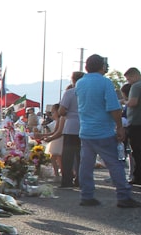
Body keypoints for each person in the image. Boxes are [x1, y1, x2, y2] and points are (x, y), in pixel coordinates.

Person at [75, 54, 139, 207]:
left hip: (85, 130)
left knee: (86, 165)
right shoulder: (105, 82)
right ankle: (123, 196)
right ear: (102, 67)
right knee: (114, 164)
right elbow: (114, 108)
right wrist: (119, 127)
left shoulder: (80, 83)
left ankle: (86, 195)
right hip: (103, 130)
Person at [57, 71, 84, 188]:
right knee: (81, 156)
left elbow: (61, 111)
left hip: (71, 126)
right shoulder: (87, 92)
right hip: (84, 126)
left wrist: (70, 113)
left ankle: (67, 180)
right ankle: (80, 179)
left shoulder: (70, 93)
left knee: (68, 156)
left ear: (73, 80)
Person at [124, 66, 141, 185]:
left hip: (135, 123)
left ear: (135, 76)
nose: (128, 82)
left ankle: (138, 176)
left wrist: (124, 102)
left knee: (137, 151)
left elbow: (133, 102)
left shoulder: (136, 86)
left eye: (128, 79)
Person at [41, 103, 64, 179]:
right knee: (58, 157)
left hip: (57, 140)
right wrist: (43, 135)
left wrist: (44, 136)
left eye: (53, 112)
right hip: (58, 139)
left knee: (53, 157)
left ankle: (57, 174)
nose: (52, 114)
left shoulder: (59, 120)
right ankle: (61, 173)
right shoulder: (58, 120)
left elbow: (55, 132)